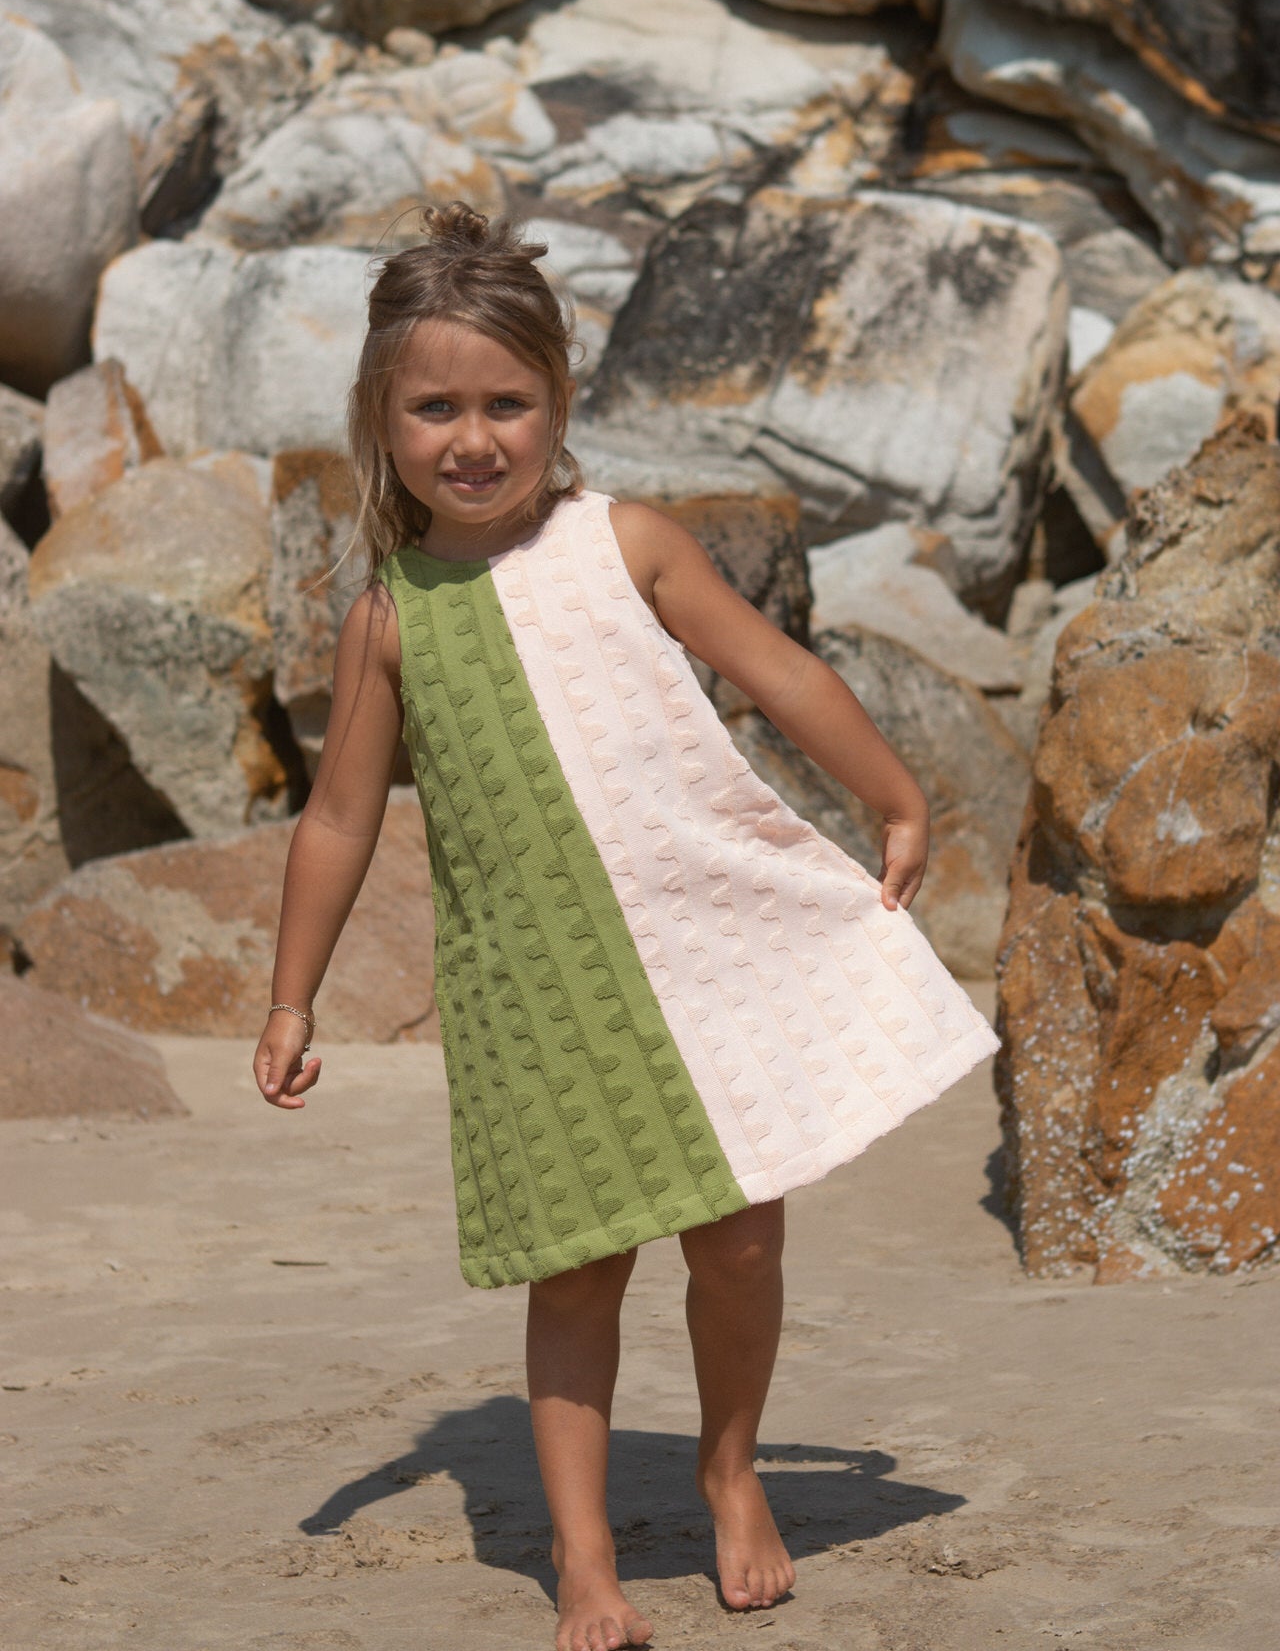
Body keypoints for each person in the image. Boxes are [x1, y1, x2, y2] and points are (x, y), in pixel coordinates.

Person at [253, 202, 999, 1651]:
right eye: (435, 409)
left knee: (740, 1246)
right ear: (381, 420)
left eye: (507, 403)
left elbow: (779, 671)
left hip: (698, 952)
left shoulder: (630, 543)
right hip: (536, 990)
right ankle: (584, 1560)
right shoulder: (390, 617)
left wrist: (895, 792)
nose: (475, 439)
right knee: (579, 1266)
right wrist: (292, 998)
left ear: (559, 399)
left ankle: (730, 1467)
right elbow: (337, 819)